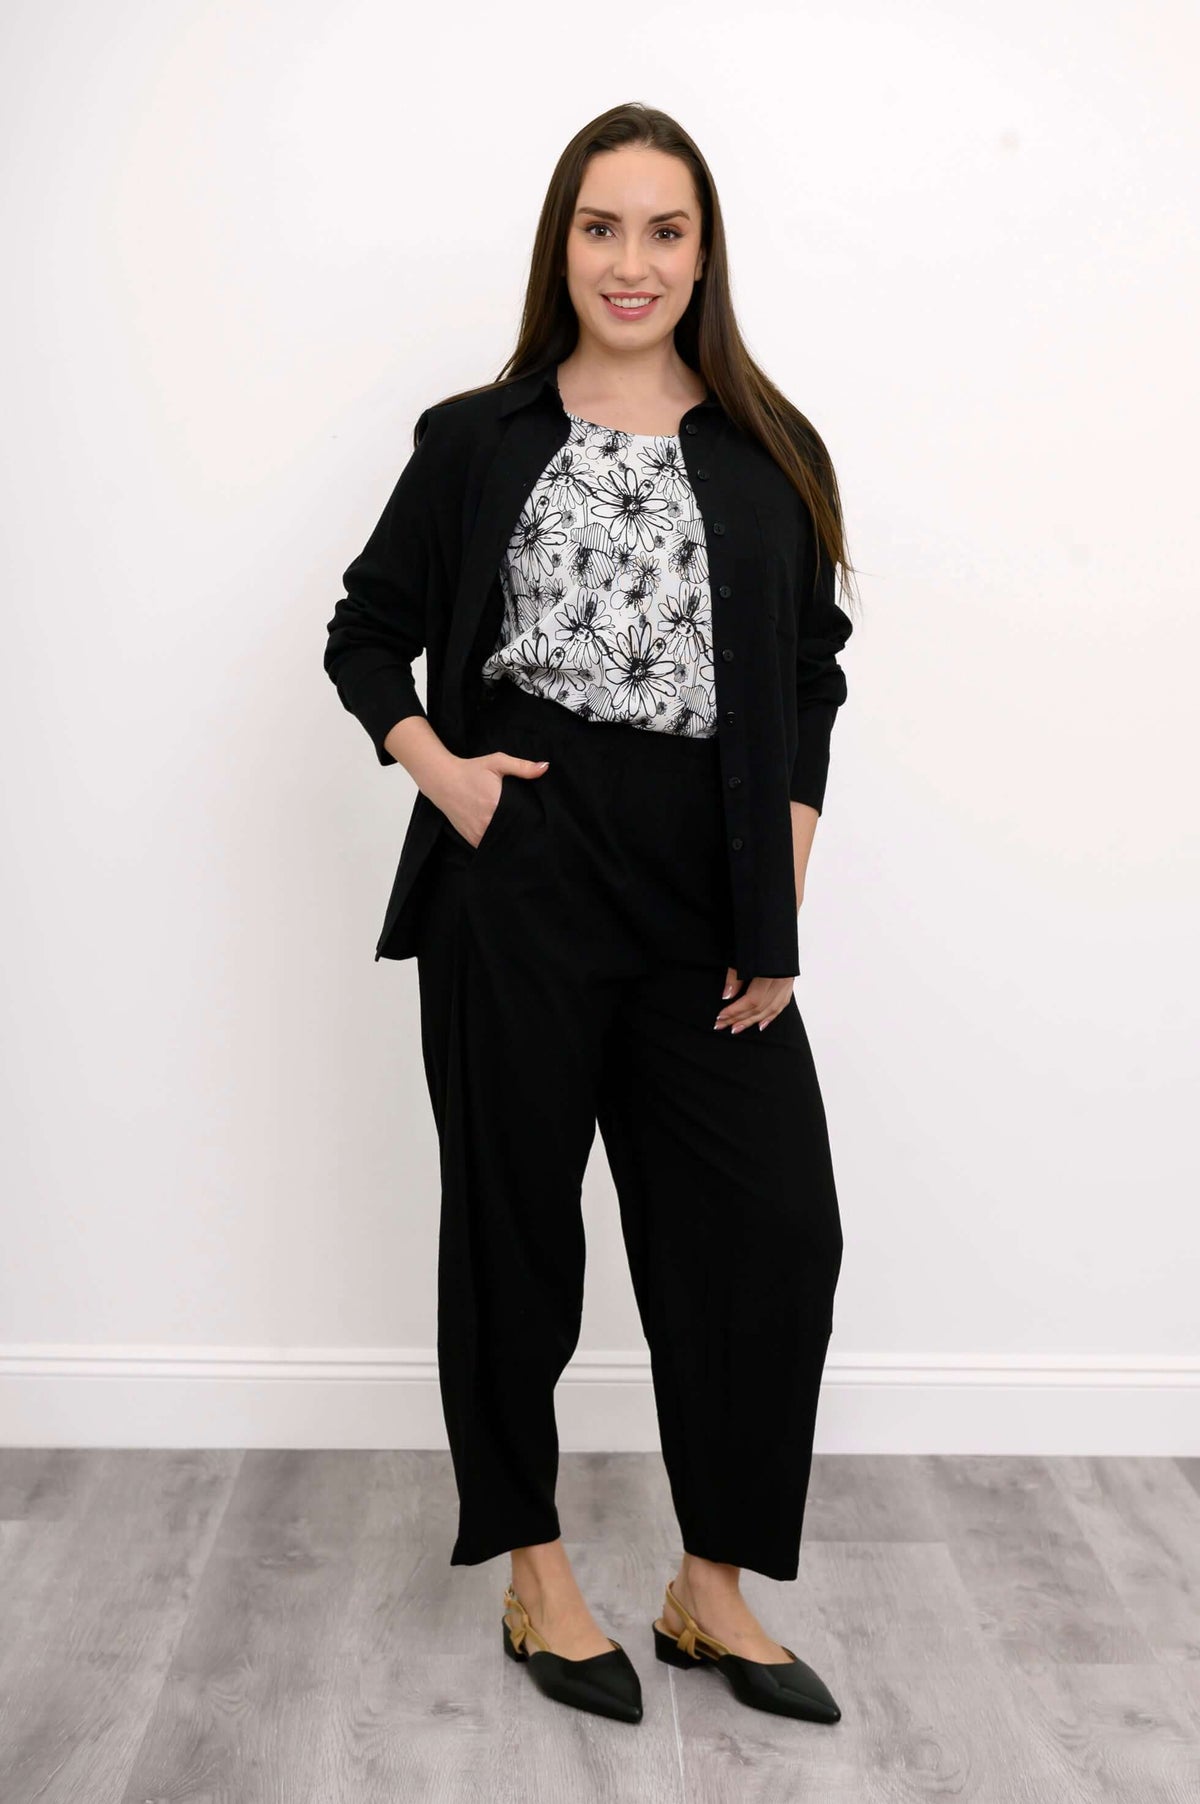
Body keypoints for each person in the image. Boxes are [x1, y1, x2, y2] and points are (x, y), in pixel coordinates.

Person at [323, 101, 856, 1728]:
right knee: (516, 1234)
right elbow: (365, 634)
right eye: (603, 228)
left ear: (706, 254)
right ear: (564, 245)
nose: (634, 262)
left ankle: (712, 1592)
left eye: (666, 231)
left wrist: (781, 891)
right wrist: (446, 773)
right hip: (524, 876)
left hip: (705, 891)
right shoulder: (477, 438)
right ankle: (534, 1569)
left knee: (775, 1230)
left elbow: (812, 685)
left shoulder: (769, 456)